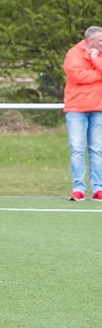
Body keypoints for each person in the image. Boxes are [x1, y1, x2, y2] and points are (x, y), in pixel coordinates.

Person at [62, 26, 102, 200]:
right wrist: (98, 74)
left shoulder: (98, 54)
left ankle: (98, 189)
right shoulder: (73, 54)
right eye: (100, 40)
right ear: (90, 40)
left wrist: (94, 59)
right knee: (77, 149)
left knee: (97, 150)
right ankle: (78, 188)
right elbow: (77, 76)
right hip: (76, 109)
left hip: (99, 109)